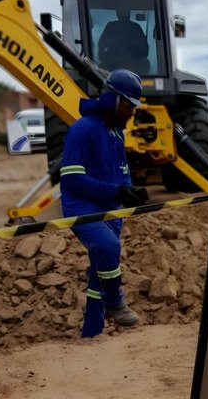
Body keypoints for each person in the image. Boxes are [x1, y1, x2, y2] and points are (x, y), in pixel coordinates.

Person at [60, 69, 147, 338]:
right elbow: (72, 179)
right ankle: (115, 302)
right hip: (82, 208)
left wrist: (129, 192)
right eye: (130, 106)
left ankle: (92, 331)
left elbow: (121, 171)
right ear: (116, 101)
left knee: (100, 268)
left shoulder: (116, 133)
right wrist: (117, 192)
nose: (133, 112)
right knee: (108, 247)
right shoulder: (82, 130)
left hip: (110, 210)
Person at [98, 6, 149, 74]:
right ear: (117, 14)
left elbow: (145, 51)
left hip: (133, 66)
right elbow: (101, 47)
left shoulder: (135, 27)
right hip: (113, 66)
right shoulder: (111, 26)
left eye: (125, 12)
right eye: (121, 12)